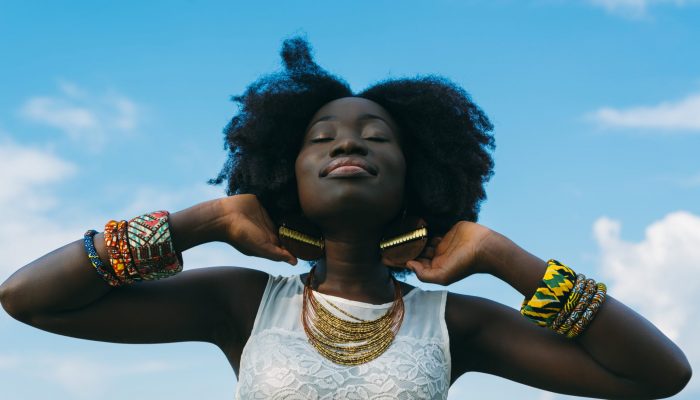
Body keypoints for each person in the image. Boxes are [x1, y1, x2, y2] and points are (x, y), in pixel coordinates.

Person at [0, 37, 691, 400]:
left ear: (416, 177)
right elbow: (26, 298)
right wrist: (200, 221)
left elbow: (658, 376)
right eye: (321, 138)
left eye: (375, 136)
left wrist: (505, 258)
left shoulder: (452, 324)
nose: (349, 143)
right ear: (284, 176)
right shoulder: (243, 303)